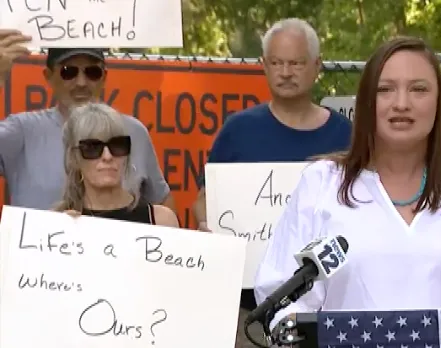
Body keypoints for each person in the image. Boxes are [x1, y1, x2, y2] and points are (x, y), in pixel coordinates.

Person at [254, 35, 441, 338]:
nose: (401, 103)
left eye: (419, 89)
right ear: (366, 101)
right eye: (385, 89)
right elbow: (284, 302)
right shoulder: (321, 185)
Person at [190, 18, 352, 348]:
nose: (286, 72)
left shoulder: (347, 136)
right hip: (250, 310)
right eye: (276, 63)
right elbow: (204, 198)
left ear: (316, 66)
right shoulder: (237, 131)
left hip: (327, 308)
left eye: (295, 63)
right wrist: (207, 223)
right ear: (263, 66)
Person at [0, 31, 175, 212]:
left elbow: (162, 201)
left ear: (104, 77)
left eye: (92, 72)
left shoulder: (133, 132)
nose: (81, 82)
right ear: (48, 76)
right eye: (69, 72)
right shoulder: (22, 131)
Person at [54, 103, 179, 227]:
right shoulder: (55, 222)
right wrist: (62, 230)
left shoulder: (161, 220)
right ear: (75, 158)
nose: (107, 156)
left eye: (117, 145)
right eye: (92, 148)